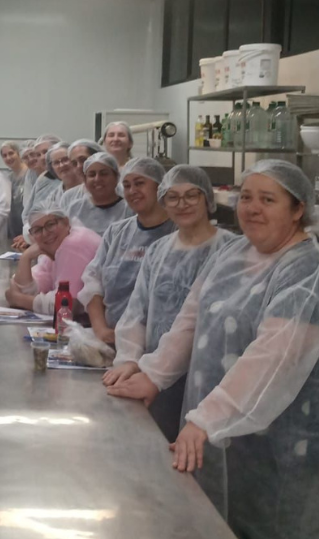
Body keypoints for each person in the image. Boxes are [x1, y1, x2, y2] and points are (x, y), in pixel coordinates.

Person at [107, 160, 319, 539]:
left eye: (268, 199)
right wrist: (153, 374)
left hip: (284, 451)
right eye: (246, 197)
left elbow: (274, 359)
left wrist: (207, 419)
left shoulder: (312, 272)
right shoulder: (233, 253)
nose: (252, 208)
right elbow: (190, 320)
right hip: (221, 439)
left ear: (298, 209)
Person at [101, 165, 235, 441]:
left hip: (209, 375)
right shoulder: (159, 251)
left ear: (208, 199)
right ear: (163, 202)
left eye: (191, 196)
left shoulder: (231, 250)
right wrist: (128, 359)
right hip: (155, 375)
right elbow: (137, 311)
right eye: (172, 197)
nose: (182, 204)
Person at [78, 157, 175, 346]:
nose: (132, 191)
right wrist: (101, 330)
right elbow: (93, 282)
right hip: (112, 339)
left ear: (160, 187)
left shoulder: (177, 232)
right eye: (127, 185)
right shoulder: (117, 233)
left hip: (157, 346)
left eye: (140, 184)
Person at [5, 202, 101, 314]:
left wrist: (19, 299)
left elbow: (67, 305)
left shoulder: (73, 244)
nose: (45, 233)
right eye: (37, 230)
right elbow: (27, 290)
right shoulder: (54, 248)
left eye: (50, 225)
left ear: (66, 222)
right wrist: (26, 258)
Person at [61, 152, 133, 236]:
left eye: (104, 174)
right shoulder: (75, 208)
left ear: (116, 177)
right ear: (85, 180)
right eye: (92, 175)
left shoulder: (129, 209)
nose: (97, 179)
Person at [20, 142, 79, 242]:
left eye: (65, 160)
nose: (61, 165)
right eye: (56, 162)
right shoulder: (54, 194)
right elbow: (36, 218)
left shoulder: (84, 191)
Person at [17, 134, 63, 247]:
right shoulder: (42, 179)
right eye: (39, 154)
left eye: (46, 152)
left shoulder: (66, 180)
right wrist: (31, 234)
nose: (42, 157)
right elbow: (28, 211)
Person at [1, 140, 29, 240]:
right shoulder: (8, 178)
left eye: (11, 153)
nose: (8, 158)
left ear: (18, 153)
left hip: (28, 229)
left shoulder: (29, 174)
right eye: (4, 155)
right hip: (13, 228)